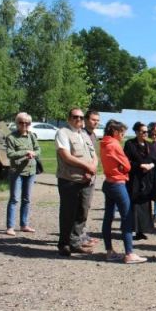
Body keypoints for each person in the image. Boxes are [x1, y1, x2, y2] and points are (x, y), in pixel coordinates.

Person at [99, 120, 147, 264]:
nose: (123, 136)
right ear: (115, 132)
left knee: (108, 218)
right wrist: (122, 167)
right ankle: (129, 253)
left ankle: (109, 251)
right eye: (122, 133)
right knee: (127, 217)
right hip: (118, 184)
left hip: (108, 182)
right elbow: (127, 166)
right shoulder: (115, 145)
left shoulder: (104, 143)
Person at [56, 108, 98, 256]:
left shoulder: (85, 134)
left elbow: (94, 155)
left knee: (82, 212)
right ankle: (64, 244)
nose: (78, 119)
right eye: (75, 117)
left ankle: (75, 242)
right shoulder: (63, 133)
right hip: (70, 180)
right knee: (68, 213)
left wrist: (92, 168)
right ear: (69, 118)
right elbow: (66, 156)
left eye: (81, 117)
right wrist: (87, 167)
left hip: (87, 180)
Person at [4, 112, 40, 236]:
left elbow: (38, 149)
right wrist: (26, 152)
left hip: (31, 171)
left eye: (27, 123)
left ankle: (24, 225)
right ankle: (10, 227)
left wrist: (34, 153)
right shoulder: (11, 137)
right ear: (16, 123)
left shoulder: (32, 136)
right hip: (17, 173)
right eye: (21, 122)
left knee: (27, 199)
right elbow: (10, 154)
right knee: (14, 199)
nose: (24, 125)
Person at [124, 122, 156, 241]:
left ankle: (142, 230)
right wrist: (140, 166)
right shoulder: (130, 144)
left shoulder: (149, 145)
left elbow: (155, 159)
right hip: (135, 178)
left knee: (145, 204)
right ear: (137, 132)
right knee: (134, 204)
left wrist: (151, 165)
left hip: (147, 178)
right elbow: (126, 161)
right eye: (143, 131)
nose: (145, 134)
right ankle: (132, 229)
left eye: (147, 132)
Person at [79, 109, 101, 247]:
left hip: (92, 175)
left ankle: (83, 233)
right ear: (86, 120)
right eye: (93, 120)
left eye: (97, 120)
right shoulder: (81, 134)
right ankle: (78, 236)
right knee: (81, 206)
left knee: (86, 206)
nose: (95, 123)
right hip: (83, 175)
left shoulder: (93, 135)